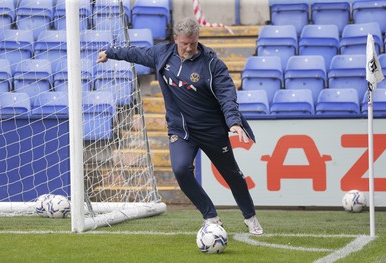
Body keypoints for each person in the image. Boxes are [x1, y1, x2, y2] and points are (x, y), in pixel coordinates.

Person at [97, 17, 263, 235]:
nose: (189, 48)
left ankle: (250, 217)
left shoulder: (212, 64)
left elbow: (227, 95)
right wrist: (110, 53)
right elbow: (136, 53)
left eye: (193, 43)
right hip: (181, 131)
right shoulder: (162, 54)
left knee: (232, 174)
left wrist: (233, 122)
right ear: (176, 39)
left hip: (211, 130)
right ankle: (211, 216)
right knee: (181, 170)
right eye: (185, 43)